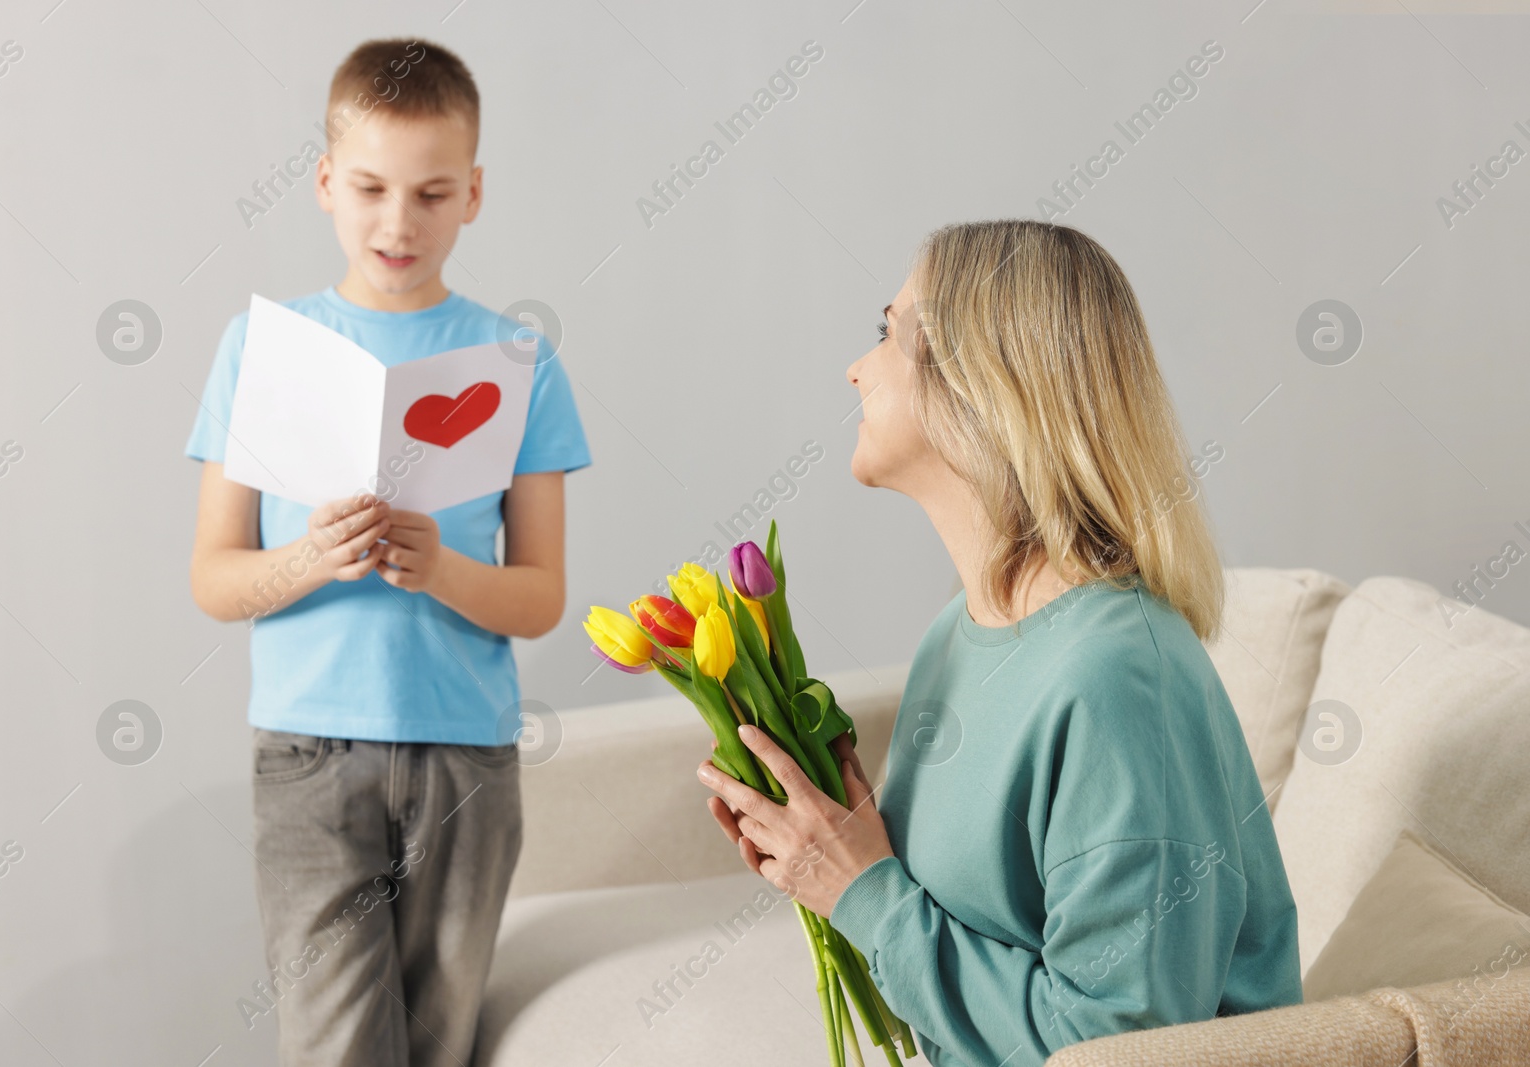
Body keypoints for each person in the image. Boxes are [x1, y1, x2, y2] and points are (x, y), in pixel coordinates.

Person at [696, 220, 1302, 1066]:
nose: (856, 367)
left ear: (980, 386)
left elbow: (1126, 1049)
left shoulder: (1117, 680)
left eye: (886, 333)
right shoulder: (963, 626)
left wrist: (862, 891)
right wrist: (831, 842)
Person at [185, 38, 590, 1067]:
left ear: (474, 195)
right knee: (337, 1047)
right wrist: (313, 557)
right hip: (307, 756)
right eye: (368, 187)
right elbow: (213, 578)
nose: (398, 221)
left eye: (431, 191)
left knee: (442, 1044)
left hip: (466, 759)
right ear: (325, 183)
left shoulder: (519, 366)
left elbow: (539, 596)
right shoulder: (261, 351)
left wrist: (438, 568)